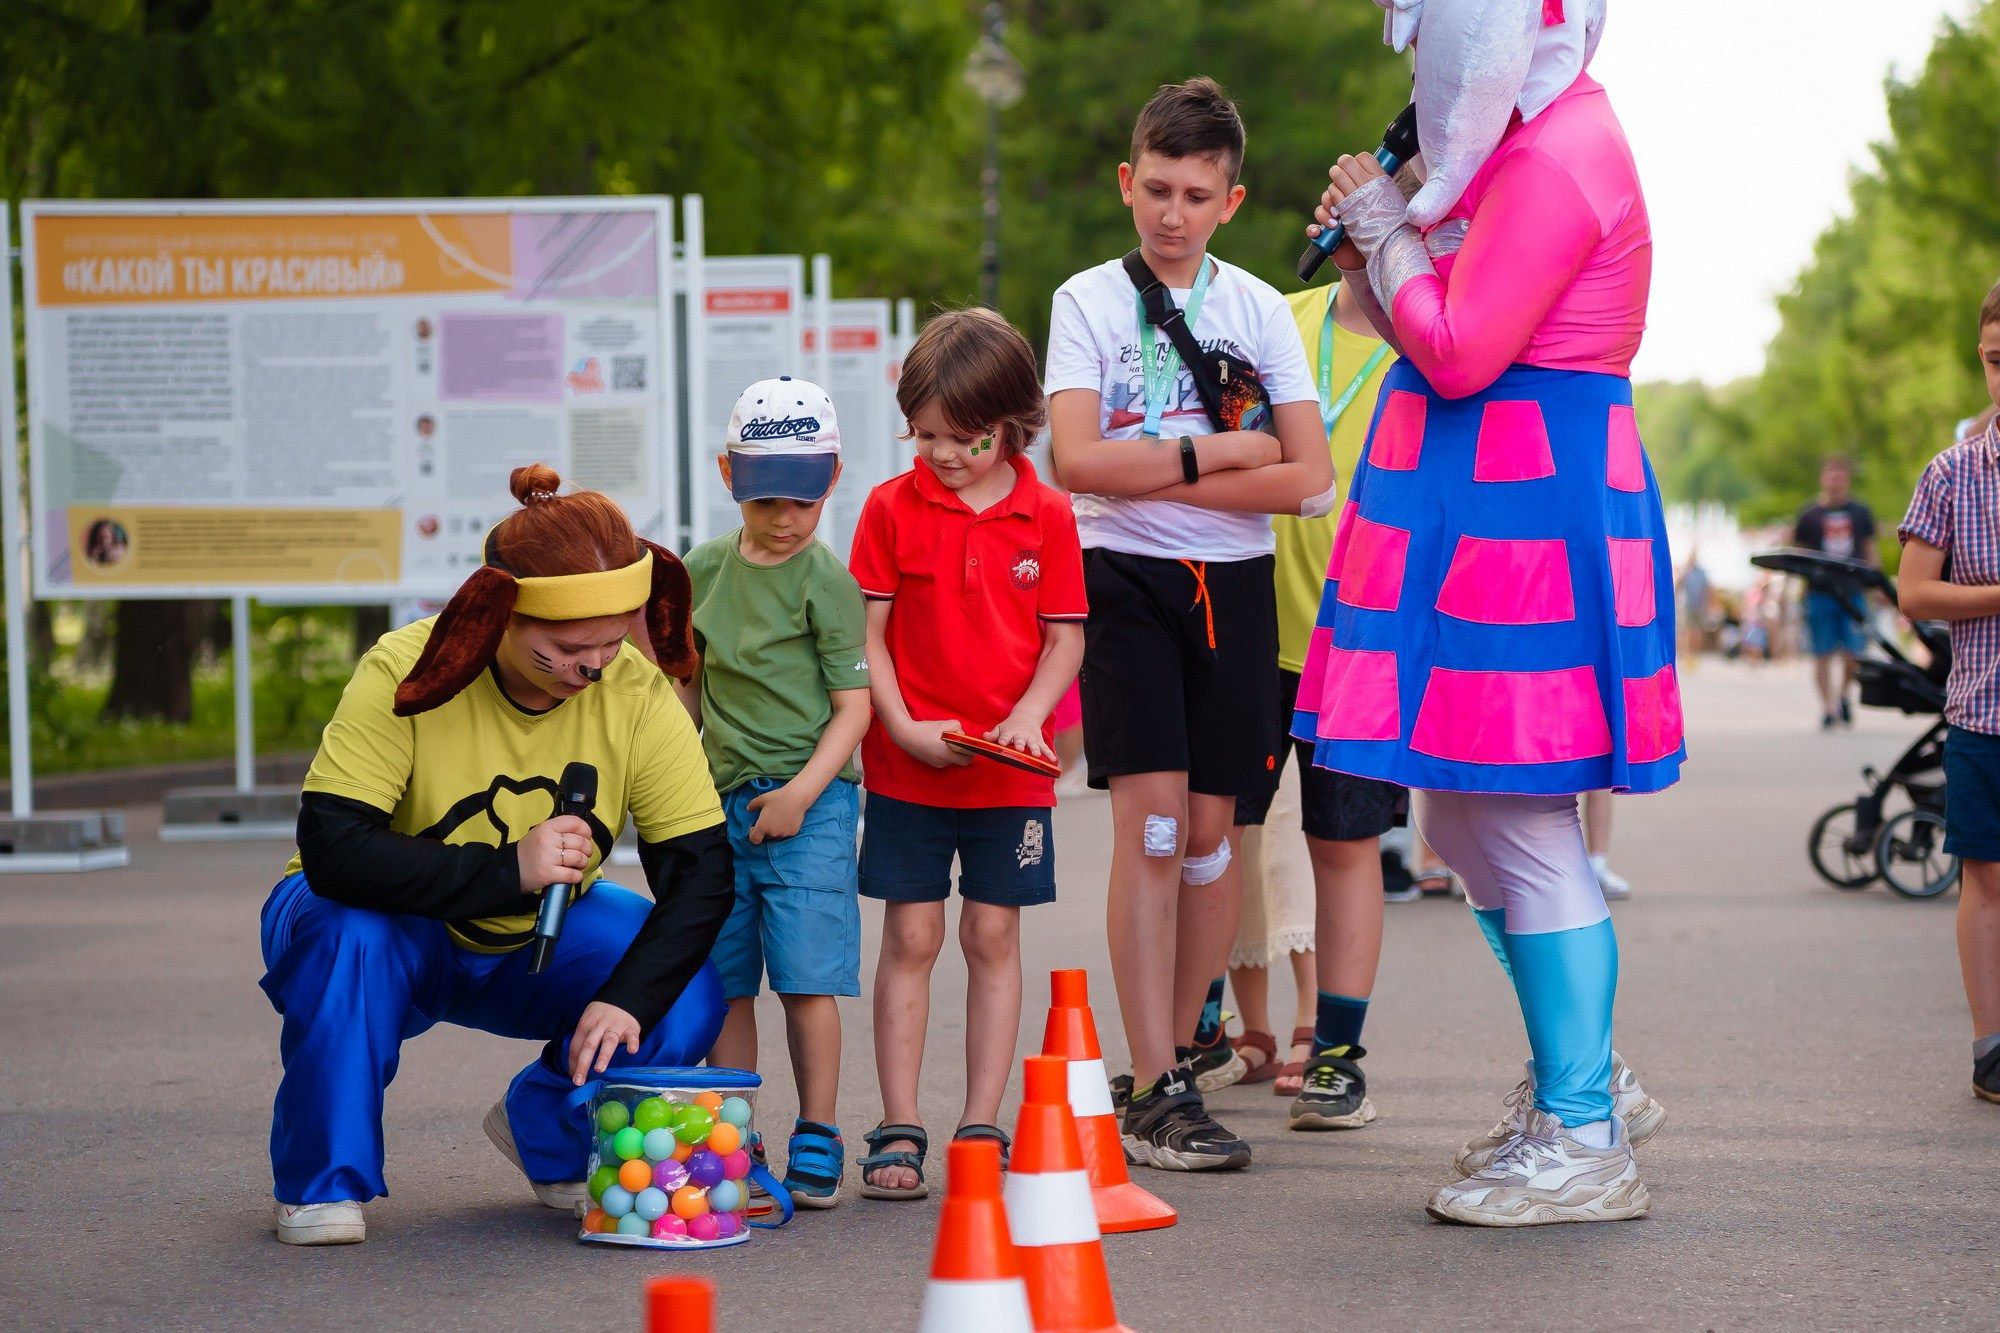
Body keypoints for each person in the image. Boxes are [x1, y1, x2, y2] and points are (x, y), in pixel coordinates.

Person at [1299, 0, 1675, 1224]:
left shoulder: (1560, 155)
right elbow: (1411, 326)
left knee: (1516, 815)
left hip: (1526, 508)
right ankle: (1582, 1079)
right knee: (1463, 819)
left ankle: (1583, 1129)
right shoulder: (1524, 145)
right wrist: (1369, 252)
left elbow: (1457, 348)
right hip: (1483, 501)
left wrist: (1383, 228)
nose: (1421, 60)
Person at [259, 464, 732, 1246]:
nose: (596, 666)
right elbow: (334, 850)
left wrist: (629, 999)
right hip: (385, 923)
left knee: (679, 990)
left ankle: (548, 1128)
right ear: (500, 615)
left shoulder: (636, 691)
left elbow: (701, 877)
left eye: (613, 640)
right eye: (569, 647)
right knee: (351, 932)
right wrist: (509, 870)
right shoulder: (405, 667)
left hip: (537, 936)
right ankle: (321, 1182)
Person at [1046, 77, 1332, 1172]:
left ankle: (1174, 1058)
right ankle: (1157, 1075)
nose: (1173, 213)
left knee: (1215, 837)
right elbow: (1076, 463)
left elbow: (1307, 480)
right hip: (1124, 579)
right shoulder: (1085, 301)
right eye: (1157, 189)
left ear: (1230, 200)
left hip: (1235, 587)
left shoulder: (1257, 309)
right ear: (1128, 183)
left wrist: (1156, 471)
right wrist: (1218, 451)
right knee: (1156, 828)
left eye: (1196, 195)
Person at [849, 308, 1087, 1199]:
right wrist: (903, 726)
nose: (942, 453)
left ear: (1014, 422)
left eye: (963, 437)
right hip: (907, 765)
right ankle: (900, 1122)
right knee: (910, 934)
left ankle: (982, 1120)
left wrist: (1029, 716)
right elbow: (868, 638)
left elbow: (1064, 638)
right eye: (925, 435)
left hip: (1009, 775)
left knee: (992, 933)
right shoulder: (888, 506)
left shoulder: (1048, 513)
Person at [683, 377, 873, 1208]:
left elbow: (854, 707)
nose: (785, 517)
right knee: (725, 980)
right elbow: (687, 688)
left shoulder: (827, 580)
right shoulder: (701, 571)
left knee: (804, 977)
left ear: (831, 480)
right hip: (718, 803)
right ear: (729, 475)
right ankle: (734, 1134)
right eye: (765, 498)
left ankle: (818, 1129)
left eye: (803, 498)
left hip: (811, 804)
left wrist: (799, 794)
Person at [1896, 277, 2000, 1106]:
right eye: (1997, 360)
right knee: (1987, 882)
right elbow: (1914, 593)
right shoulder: (1953, 473)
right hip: (1983, 712)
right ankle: (1991, 1049)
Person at [1795, 455, 1879, 729]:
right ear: (1823, 478)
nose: (1836, 479)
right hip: (1819, 592)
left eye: (1840, 474)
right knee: (1822, 652)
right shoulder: (1809, 514)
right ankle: (1828, 707)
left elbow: (1870, 549)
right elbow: (1798, 553)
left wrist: (1876, 583)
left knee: (1853, 651)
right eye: (1831, 474)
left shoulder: (1860, 512)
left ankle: (1843, 695)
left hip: (1852, 590)